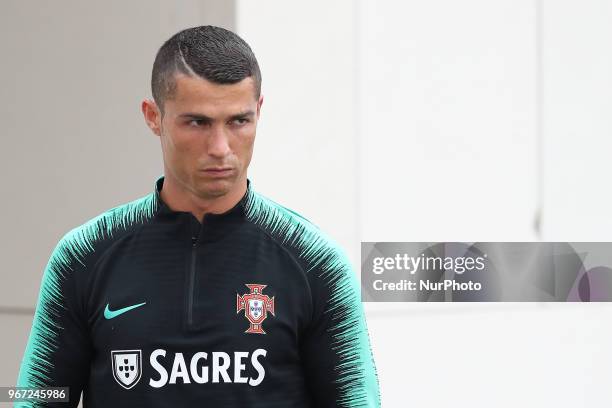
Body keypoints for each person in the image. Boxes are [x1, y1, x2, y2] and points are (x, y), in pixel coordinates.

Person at [16, 25, 380, 407]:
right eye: (198, 122)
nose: (221, 148)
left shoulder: (316, 263)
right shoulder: (82, 256)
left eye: (238, 121)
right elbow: (37, 398)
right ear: (153, 116)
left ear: (259, 112)